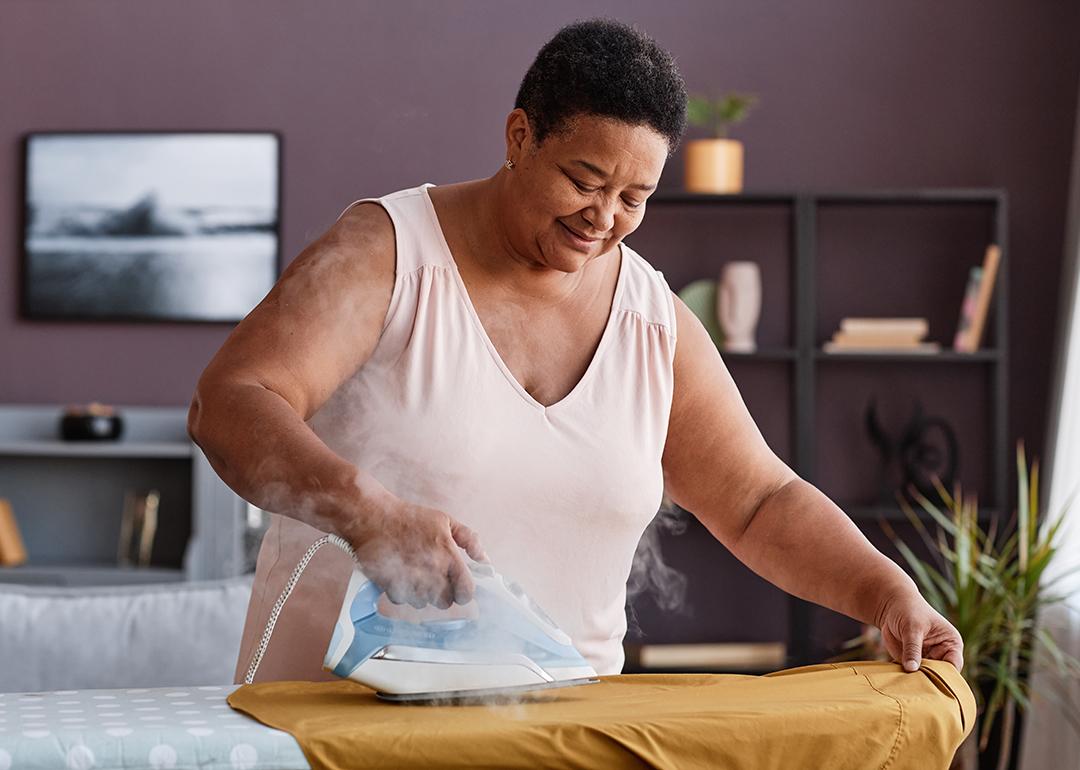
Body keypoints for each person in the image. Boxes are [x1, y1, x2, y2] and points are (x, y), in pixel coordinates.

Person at [188, 17, 963, 683]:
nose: (606, 218)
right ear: (520, 136)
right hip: (340, 726)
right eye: (585, 180)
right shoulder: (389, 254)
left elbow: (759, 503)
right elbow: (228, 402)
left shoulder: (651, 320)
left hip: (558, 733)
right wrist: (366, 513)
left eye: (636, 198)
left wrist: (885, 593)